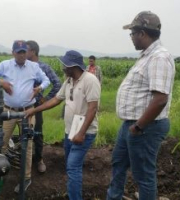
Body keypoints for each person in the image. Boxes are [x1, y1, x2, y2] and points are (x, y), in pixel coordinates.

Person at [106, 11, 175, 200]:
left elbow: (160, 99)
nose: (131, 38)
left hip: (145, 126)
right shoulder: (147, 56)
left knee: (143, 175)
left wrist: (138, 126)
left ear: (142, 34)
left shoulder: (159, 57)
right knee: (118, 163)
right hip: (131, 124)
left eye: (132, 34)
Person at [25, 50, 101, 200]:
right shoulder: (69, 81)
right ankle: (73, 193)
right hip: (70, 131)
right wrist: (34, 110)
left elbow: (93, 109)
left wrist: (81, 133)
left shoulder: (90, 80)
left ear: (73, 66)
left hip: (84, 132)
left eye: (65, 65)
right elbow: (56, 100)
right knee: (70, 165)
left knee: (73, 166)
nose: (63, 67)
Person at [0, 40, 50, 193]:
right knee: (2, 143)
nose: (22, 55)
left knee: (27, 146)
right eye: (18, 52)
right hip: (9, 112)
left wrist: (39, 88)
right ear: (13, 52)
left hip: (27, 112)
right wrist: (2, 82)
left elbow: (46, 80)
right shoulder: (4, 65)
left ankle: (26, 178)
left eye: (24, 52)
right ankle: (1, 171)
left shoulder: (34, 67)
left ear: (27, 53)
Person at [26, 40, 61, 173]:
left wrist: (45, 99)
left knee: (37, 132)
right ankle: (23, 158)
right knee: (22, 132)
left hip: (36, 106)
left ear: (33, 51)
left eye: (26, 50)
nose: (23, 53)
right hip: (19, 105)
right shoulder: (21, 65)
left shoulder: (44, 67)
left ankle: (39, 159)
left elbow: (57, 83)